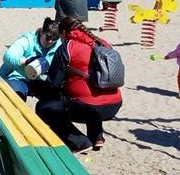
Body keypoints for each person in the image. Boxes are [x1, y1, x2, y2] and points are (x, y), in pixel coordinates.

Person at [36, 17, 122, 153]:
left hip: (87, 107)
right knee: (94, 91)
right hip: (114, 104)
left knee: (44, 107)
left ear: (63, 32)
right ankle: (96, 137)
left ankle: (79, 142)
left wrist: (38, 87)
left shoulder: (68, 47)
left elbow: (54, 83)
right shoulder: (103, 43)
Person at [0, 18, 61, 101]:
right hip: (18, 77)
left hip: (40, 80)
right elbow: (8, 56)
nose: (50, 41)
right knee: (16, 99)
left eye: (55, 38)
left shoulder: (58, 45)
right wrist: (26, 62)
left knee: (55, 102)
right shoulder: (28, 40)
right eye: (48, 37)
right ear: (42, 32)